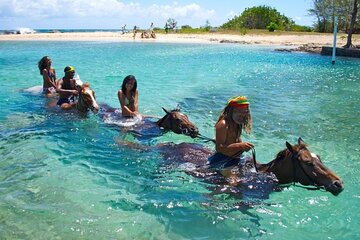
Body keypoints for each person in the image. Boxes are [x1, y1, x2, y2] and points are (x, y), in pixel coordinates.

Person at [208, 96, 254, 174]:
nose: (242, 115)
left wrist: (243, 146)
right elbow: (219, 148)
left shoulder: (237, 123)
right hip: (223, 159)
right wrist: (240, 146)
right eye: (239, 111)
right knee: (233, 184)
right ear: (231, 111)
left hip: (236, 157)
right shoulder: (223, 124)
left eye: (245, 112)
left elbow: (237, 139)